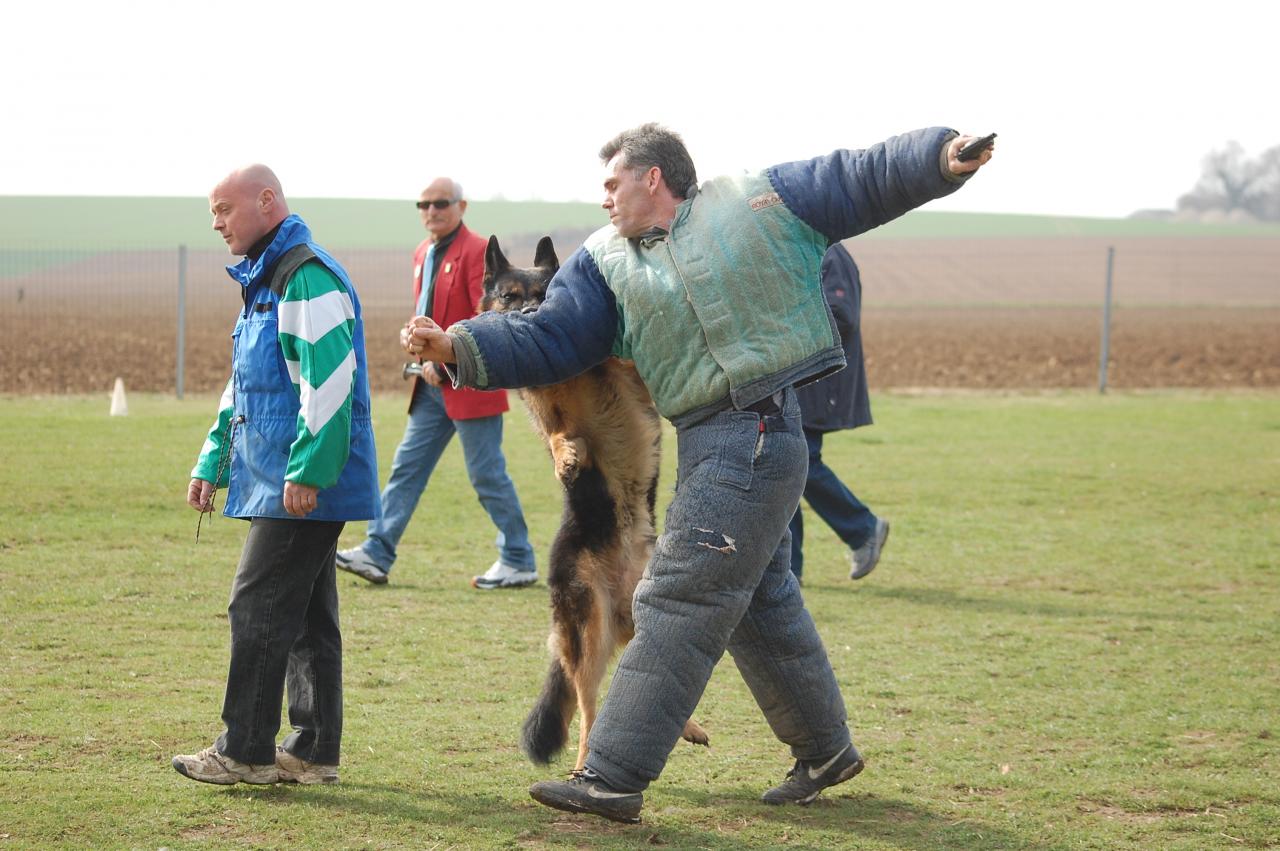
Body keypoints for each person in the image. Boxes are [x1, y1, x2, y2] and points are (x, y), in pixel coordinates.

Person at [409, 124, 994, 821]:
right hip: (711, 439)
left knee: (679, 595)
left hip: (760, 431)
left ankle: (612, 773)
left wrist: (935, 158)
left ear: (652, 179)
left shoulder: (752, 202)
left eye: (612, 182)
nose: (602, 198)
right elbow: (549, 333)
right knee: (757, 595)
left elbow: (850, 179)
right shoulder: (603, 263)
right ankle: (826, 749)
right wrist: (458, 343)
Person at [172, 164, 381, 786]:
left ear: (267, 202)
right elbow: (245, 386)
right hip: (278, 475)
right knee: (306, 617)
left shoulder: (304, 277)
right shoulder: (265, 281)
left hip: (305, 479)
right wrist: (213, 461)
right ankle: (313, 751)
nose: (216, 223)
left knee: (257, 603)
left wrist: (310, 469)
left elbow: (331, 383)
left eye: (224, 210)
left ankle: (245, 751)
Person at [335, 178, 537, 589]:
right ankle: (377, 551)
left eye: (440, 203)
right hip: (430, 387)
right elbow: (430, 312)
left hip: (471, 382)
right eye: (423, 204)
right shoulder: (422, 252)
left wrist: (444, 363)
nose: (431, 210)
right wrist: (415, 338)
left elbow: (486, 318)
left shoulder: (479, 251)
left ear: (461, 205)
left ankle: (518, 558)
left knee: (486, 474)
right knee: (406, 468)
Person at [789, 242, 889, 583]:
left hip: (819, 383)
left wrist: (784, 324)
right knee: (787, 470)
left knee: (801, 464)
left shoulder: (828, 252)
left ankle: (863, 529)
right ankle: (788, 572)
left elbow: (841, 313)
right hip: (800, 382)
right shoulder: (809, 249)